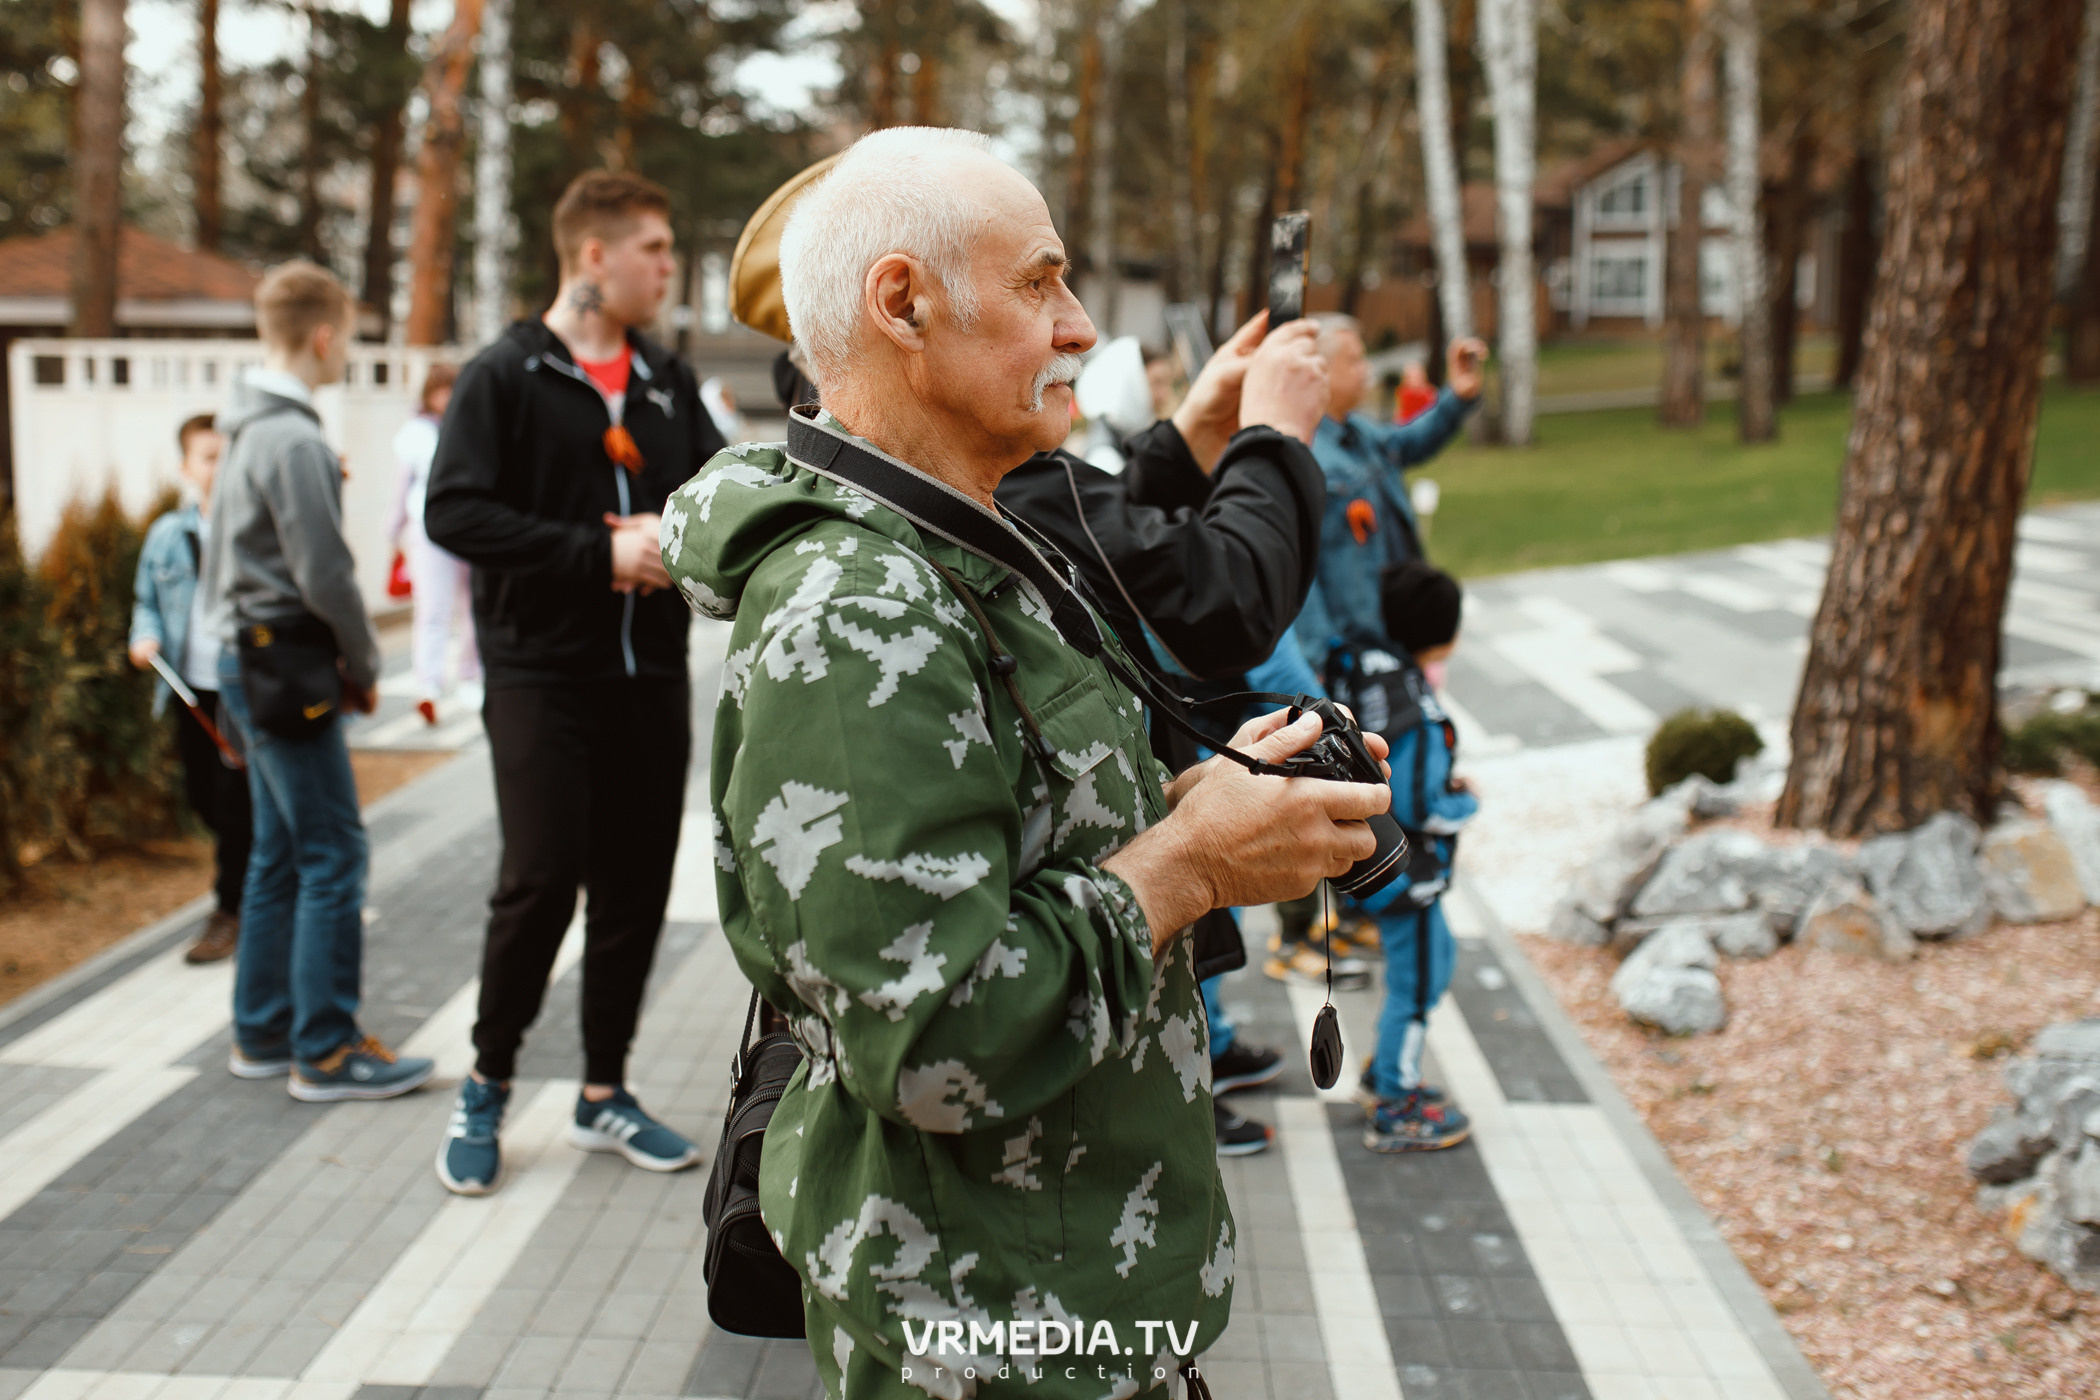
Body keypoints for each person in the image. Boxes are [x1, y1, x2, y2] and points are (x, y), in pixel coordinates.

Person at [661, 126, 1393, 1397]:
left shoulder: (970, 528)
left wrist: (1213, 809)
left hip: (1056, 1288)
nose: (1078, 327)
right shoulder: (857, 610)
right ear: (904, 303)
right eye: (1042, 281)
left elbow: (1016, 847)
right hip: (988, 1324)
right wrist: (1192, 863)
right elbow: (936, 1032)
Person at [423, 170, 726, 1196]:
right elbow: (455, 514)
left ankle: (604, 1089)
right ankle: (487, 1082)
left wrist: (681, 539)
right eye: (653, 250)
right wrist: (595, 554)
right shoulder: (504, 375)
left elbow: (718, 495)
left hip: (650, 678)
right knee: (540, 878)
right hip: (540, 675)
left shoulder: (668, 380)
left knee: (635, 886)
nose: (667, 270)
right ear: (592, 257)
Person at [199, 260, 434, 1102]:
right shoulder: (293, 439)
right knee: (335, 851)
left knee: (279, 852)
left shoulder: (244, 430)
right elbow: (326, 574)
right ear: (325, 335)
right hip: (285, 660)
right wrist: (365, 661)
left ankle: (262, 1034)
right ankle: (327, 1050)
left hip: (244, 656)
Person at [1329, 559, 1478, 1152]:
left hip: (1391, 869)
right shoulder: (1412, 702)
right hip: (1408, 873)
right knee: (1418, 983)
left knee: (1432, 963)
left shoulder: (1370, 671)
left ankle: (1384, 1072)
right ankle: (1395, 1101)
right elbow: (1416, 802)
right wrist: (1464, 807)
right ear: (1445, 632)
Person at [1290, 316, 1487, 661]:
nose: (1366, 369)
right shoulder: (1303, 452)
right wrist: (1319, 656)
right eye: (1354, 360)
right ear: (1318, 368)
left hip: (1396, 631)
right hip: (1355, 646)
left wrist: (1456, 396)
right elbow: (1296, 570)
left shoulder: (1359, 431)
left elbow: (1408, 442)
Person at [130, 414, 252, 965]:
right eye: (207, 456)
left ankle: (231, 908)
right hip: (187, 688)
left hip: (240, 689)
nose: (218, 466)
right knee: (204, 798)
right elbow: (145, 602)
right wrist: (145, 635)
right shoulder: (166, 535)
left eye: (226, 454)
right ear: (186, 467)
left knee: (232, 805)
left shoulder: (250, 528)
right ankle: (250, 890)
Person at [386, 364, 479, 726]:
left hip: (468, 529)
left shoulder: (469, 427)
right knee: (432, 610)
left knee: (471, 606)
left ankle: (470, 676)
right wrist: (393, 531)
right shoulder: (415, 433)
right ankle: (429, 684)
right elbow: (401, 486)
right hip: (427, 534)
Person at [1396, 358, 1438, 423]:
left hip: (1425, 423)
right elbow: (1399, 410)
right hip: (1407, 423)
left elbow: (1434, 408)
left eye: (1416, 376)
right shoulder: (1403, 391)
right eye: (1411, 377)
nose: (1414, 379)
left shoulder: (1430, 391)